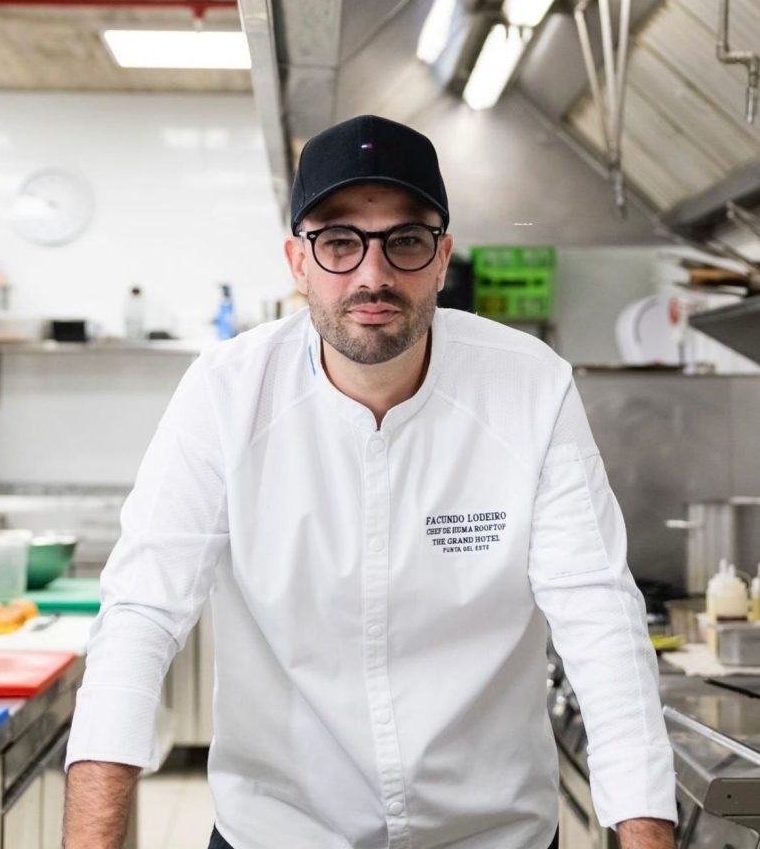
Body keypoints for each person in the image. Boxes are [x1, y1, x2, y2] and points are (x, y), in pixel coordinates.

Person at [63, 115, 677, 849]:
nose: (372, 275)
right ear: (298, 260)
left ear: (442, 256)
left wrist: (645, 829)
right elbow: (142, 611)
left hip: (489, 836)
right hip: (282, 835)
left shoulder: (529, 387)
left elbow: (598, 616)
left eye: (405, 240)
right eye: (338, 241)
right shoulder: (226, 392)